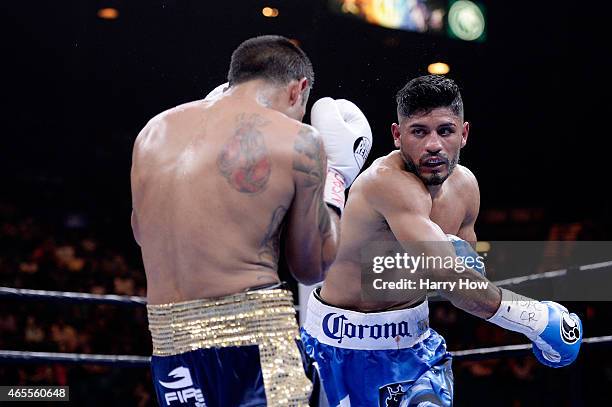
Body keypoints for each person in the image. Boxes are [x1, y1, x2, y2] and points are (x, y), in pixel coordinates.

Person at [300, 75, 582, 406]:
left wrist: (460, 268)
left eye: (445, 131)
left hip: (413, 349)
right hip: (339, 351)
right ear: (397, 136)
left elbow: (467, 281)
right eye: (419, 131)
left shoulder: (466, 189)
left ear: (463, 134)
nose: (433, 144)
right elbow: (448, 277)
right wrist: (535, 317)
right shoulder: (385, 183)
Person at [130, 35, 372, 406]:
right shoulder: (300, 139)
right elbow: (312, 266)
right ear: (298, 90)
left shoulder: (152, 132)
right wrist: (335, 180)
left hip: (170, 347)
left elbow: (142, 232)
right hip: (257, 340)